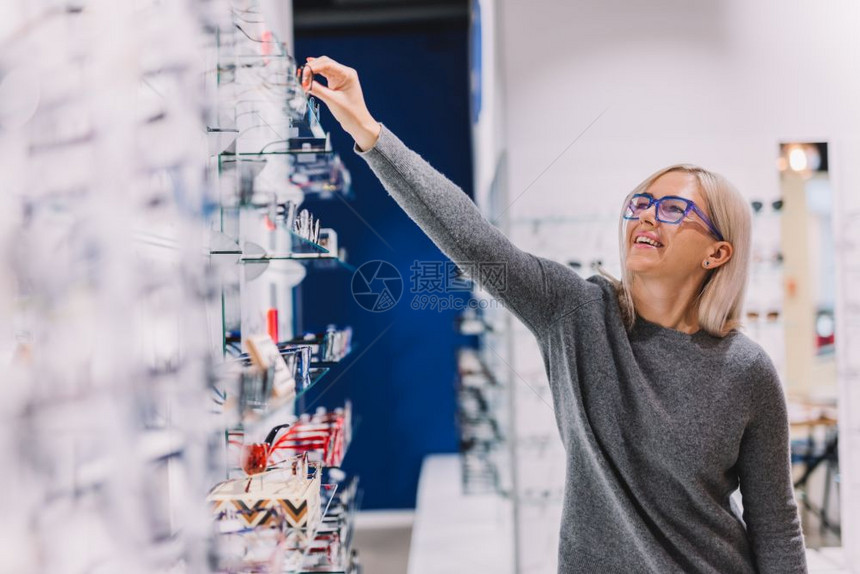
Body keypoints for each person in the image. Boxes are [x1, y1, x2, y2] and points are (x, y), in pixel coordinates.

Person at [298, 56, 807, 574]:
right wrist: (368, 132)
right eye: (641, 203)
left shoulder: (746, 371)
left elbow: (776, 525)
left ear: (717, 254)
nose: (648, 215)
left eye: (674, 210)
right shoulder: (578, 312)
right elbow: (471, 238)